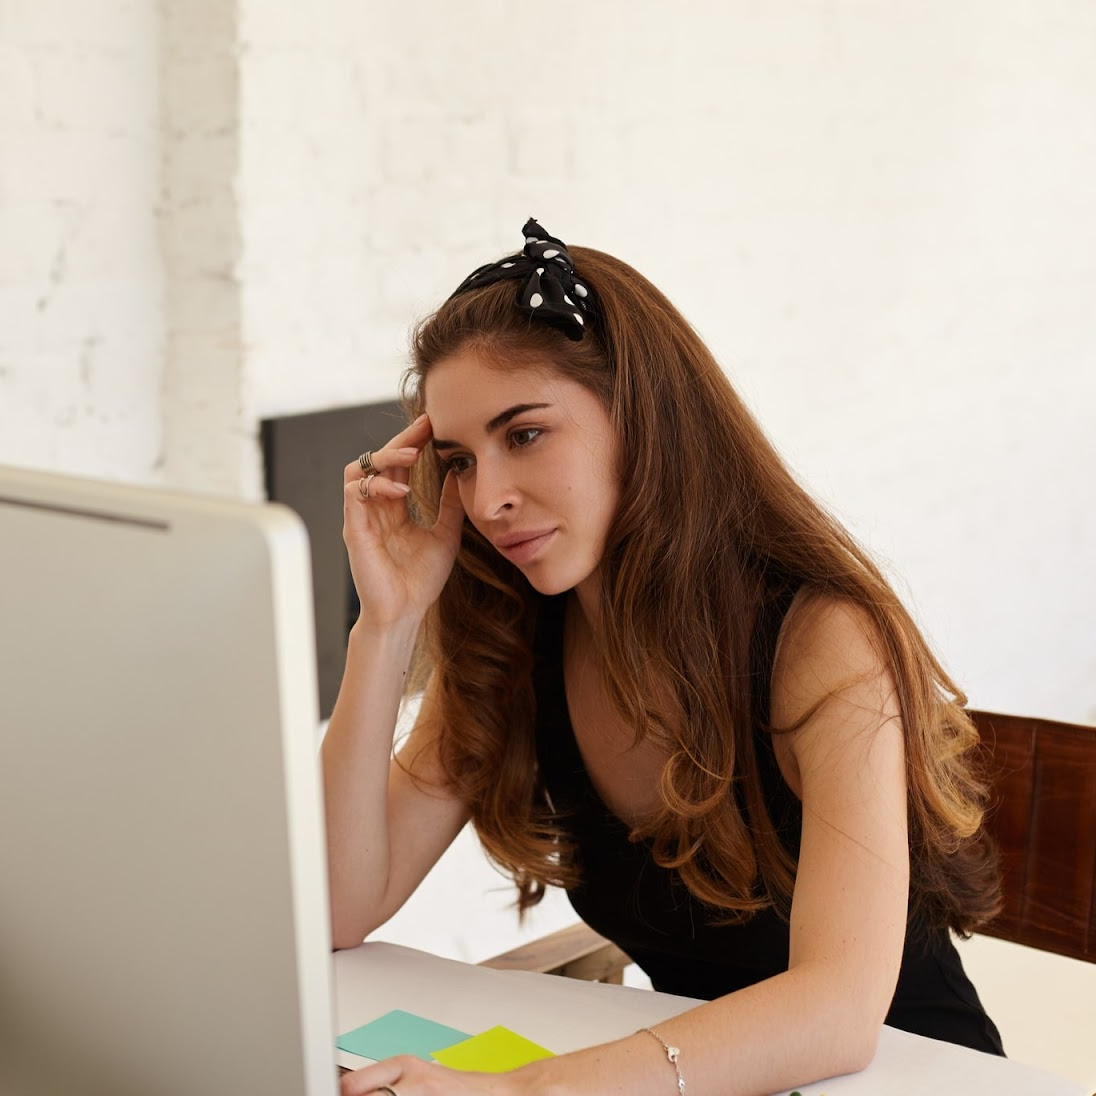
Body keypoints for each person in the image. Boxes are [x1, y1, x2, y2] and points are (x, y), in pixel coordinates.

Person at [326, 220, 1003, 1096]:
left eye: (524, 434)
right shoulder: (519, 638)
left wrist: (528, 1090)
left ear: (640, 417)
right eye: (458, 460)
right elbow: (341, 909)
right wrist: (385, 625)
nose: (488, 498)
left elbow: (838, 1010)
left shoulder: (819, 638)